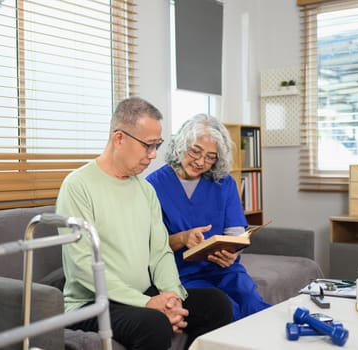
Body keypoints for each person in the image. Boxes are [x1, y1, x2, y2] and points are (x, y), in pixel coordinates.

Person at [56, 97, 233, 350]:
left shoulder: (145, 189)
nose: (153, 156)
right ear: (119, 139)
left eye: (157, 146)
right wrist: (148, 303)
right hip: (93, 304)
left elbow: (159, 252)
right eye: (148, 146)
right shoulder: (78, 186)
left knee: (217, 304)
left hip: (140, 296)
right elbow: (84, 266)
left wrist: (173, 297)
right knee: (154, 323)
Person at [146, 114, 271, 321]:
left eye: (210, 157)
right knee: (228, 309)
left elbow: (235, 233)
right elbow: (148, 246)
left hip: (225, 269)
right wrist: (183, 238)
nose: (201, 161)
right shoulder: (152, 186)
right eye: (195, 151)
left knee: (253, 303)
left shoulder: (225, 183)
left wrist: (232, 252)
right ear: (180, 145)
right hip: (182, 274)